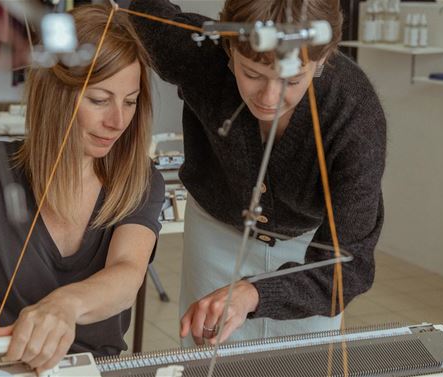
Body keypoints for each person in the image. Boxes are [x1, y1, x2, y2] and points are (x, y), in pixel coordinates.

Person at [122, 0, 386, 346]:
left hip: (308, 253)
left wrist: (254, 294)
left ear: (322, 60)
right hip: (214, 232)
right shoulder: (201, 54)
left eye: (291, 80)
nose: (270, 98)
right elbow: (141, 12)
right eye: (252, 74)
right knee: (205, 356)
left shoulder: (354, 113)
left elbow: (348, 264)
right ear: (230, 49)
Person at [0, 4, 164, 376]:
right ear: (55, 94)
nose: (118, 121)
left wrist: (66, 305)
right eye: (99, 100)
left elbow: (127, 271)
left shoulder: (139, 179)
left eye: (130, 102)